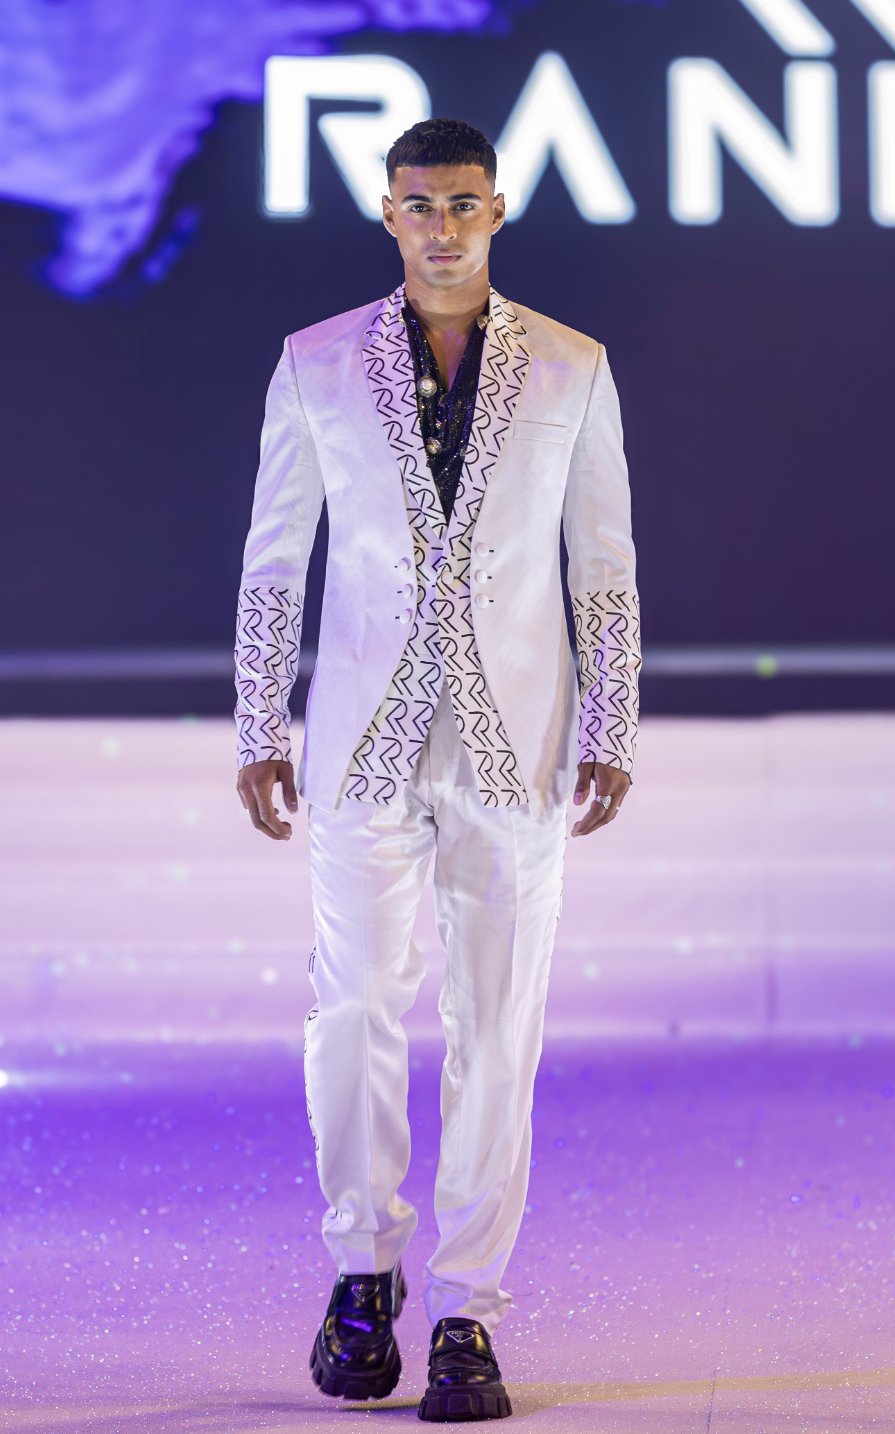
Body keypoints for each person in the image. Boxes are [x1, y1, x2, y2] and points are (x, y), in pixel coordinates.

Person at [234, 117, 641, 1423]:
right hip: (363, 737)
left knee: (497, 1020)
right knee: (353, 1001)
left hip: (517, 742)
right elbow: (276, 554)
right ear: (390, 213)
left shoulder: (573, 366)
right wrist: (259, 721)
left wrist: (612, 724)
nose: (444, 226)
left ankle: (468, 1309)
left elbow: (604, 565)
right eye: (421, 204)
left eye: (464, 203)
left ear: (498, 210)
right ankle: (363, 1271)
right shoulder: (316, 362)